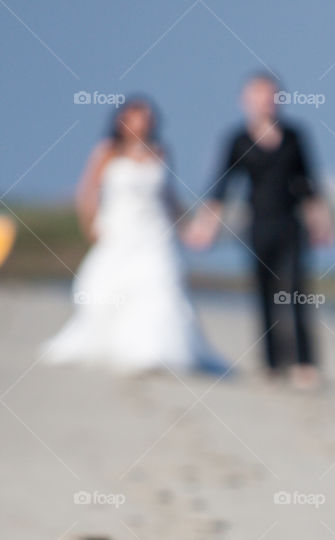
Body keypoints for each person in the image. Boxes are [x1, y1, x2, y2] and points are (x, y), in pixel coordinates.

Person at [43, 97, 222, 374]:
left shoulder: (160, 152)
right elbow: (88, 191)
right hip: (119, 232)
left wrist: (189, 228)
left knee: (160, 288)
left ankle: (156, 350)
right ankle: (117, 347)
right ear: (121, 121)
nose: (141, 124)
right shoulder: (107, 152)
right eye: (135, 117)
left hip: (156, 235)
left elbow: (169, 197)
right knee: (110, 288)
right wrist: (90, 224)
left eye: (146, 118)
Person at [187, 71, 333, 390]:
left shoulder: (295, 136)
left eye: (272, 95)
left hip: (291, 225)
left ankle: (305, 363)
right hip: (257, 226)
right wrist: (205, 228)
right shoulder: (237, 139)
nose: (267, 101)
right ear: (246, 101)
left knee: (296, 291)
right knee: (264, 294)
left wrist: (321, 221)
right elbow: (221, 187)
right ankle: (271, 364)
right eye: (260, 95)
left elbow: (309, 184)